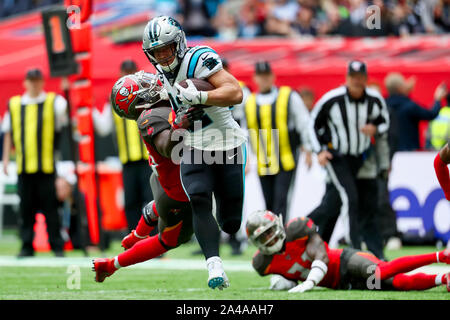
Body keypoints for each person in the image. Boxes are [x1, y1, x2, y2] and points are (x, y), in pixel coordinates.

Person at [142, 15, 246, 290]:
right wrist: (175, 122)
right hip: (194, 145)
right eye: (156, 52)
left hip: (226, 144)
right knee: (198, 197)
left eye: (166, 49)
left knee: (231, 222)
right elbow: (168, 112)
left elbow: (236, 93)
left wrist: (202, 97)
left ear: (179, 43)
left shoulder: (199, 58)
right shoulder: (160, 77)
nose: (163, 57)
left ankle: (225, 235)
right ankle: (214, 266)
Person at [93, 72, 205, 284]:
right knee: (167, 241)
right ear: (137, 101)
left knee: (159, 207)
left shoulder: (159, 106)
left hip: (167, 183)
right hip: (176, 192)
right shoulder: (148, 117)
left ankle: (136, 234)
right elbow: (165, 146)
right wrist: (179, 126)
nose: (150, 83)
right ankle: (110, 265)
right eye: (143, 85)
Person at [246, 210, 450, 292]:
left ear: (278, 225)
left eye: (270, 231)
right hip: (345, 284)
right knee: (397, 284)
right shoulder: (262, 264)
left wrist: (310, 281)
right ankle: (444, 278)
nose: (269, 238)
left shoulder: (296, 229)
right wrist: (284, 281)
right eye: (263, 236)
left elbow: (321, 255)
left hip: (345, 261)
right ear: (256, 242)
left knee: (381, 271)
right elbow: (288, 273)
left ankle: (441, 256)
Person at [308, 60, 390, 251]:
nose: (357, 81)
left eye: (361, 77)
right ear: (347, 78)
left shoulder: (374, 99)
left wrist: (375, 128)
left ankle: (305, 234)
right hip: (337, 158)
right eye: (353, 77)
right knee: (349, 198)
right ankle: (354, 248)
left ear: (366, 79)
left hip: (361, 159)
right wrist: (319, 150)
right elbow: (312, 123)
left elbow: (385, 122)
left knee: (333, 203)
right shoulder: (332, 99)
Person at [1, 68, 68, 257]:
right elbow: (8, 132)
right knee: (26, 209)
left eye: (37, 80)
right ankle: (26, 245)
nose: (34, 84)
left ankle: (56, 245)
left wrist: (65, 86)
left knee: (51, 209)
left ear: (42, 82)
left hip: (46, 166)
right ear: (25, 82)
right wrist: (5, 160)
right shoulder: (14, 104)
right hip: (24, 167)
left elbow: (66, 107)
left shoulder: (52, 102)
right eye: (31, 80)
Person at [244, 61, 312, 224]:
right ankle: (272, 239)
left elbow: (303, 121)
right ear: (255, 78)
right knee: (268, 201)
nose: (264, 79)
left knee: (281, 200)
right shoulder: (250, 101)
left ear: (273, 76)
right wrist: (246, 157)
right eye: (260, 76)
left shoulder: (288, 96)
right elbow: (245, 132)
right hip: (263, 159)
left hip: (285, 158)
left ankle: (280, 240)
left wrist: (308, 148)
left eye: (267, 76)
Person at [93, 60, 154, 232]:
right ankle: (134, 238)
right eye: (125, 72)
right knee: (131, 202)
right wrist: (88, 107)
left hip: (148, 159)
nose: (128, 75)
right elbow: (103, 127)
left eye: (131, 71)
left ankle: (156, 240)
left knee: (151, 200)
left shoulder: (148, 95)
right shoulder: (114, 99)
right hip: (127, 161)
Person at [384, 72, 448, 153]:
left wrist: (406, 92)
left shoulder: (384, 104)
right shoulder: (409, 106)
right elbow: (431, 114)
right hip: (410, 151)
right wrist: (437, 99)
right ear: (400, 88)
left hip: (390, 151)